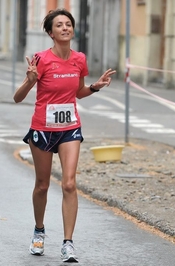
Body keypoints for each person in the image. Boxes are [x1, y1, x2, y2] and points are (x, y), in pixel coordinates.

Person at [13, 8, 116, 263]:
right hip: (42, 129)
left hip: (70, 128)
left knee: (69, 183)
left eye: (68, 24)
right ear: (50, 32)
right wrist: (29, 81)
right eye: (59, 25)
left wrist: (94, 87)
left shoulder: (79, 59)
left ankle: (68, 243)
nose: (65, 28)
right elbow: (17, 98)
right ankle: (39, 230)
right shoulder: (41, 59)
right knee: (42, 185)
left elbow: (78, 91)